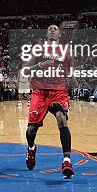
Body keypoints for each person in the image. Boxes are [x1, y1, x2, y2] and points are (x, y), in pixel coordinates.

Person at [24, 25, 74, 179]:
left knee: (62, 121)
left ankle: (67, 161)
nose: (52, 30)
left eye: (55, 28)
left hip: (59, 92)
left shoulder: (67, 51)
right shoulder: (37, 49)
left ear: (60, 33)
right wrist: (39, 65)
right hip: (40, 92)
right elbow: (26, 69)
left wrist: (70, 91)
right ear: (46, 33)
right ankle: (31, 148)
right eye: (50, 28)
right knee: (31, 130)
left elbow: (70, 73)